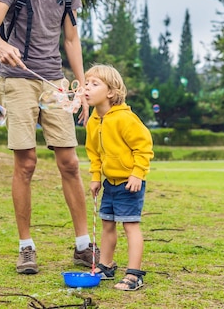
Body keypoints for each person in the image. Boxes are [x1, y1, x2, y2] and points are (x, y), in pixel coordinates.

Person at [0, 0, 97, 275]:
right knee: (26, 163)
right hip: (17, 79)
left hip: (54, 81)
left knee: (70, 163)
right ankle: (26, 247)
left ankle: (82, 245)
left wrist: (82, 87)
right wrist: (1, 46)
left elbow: (72, 39)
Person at [84, 64, 154, 291]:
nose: (87, 87)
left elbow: (144, 147)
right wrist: (96, 177)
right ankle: (106, 265)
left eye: (95, 84)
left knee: (131, 226)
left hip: (129, 183)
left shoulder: (125, 118)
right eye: (86, 83)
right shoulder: (93, 121)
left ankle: (134, 274)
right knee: (107, 224)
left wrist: (137, 174)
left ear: (111, 92)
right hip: (110, 183)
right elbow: (94, 153)